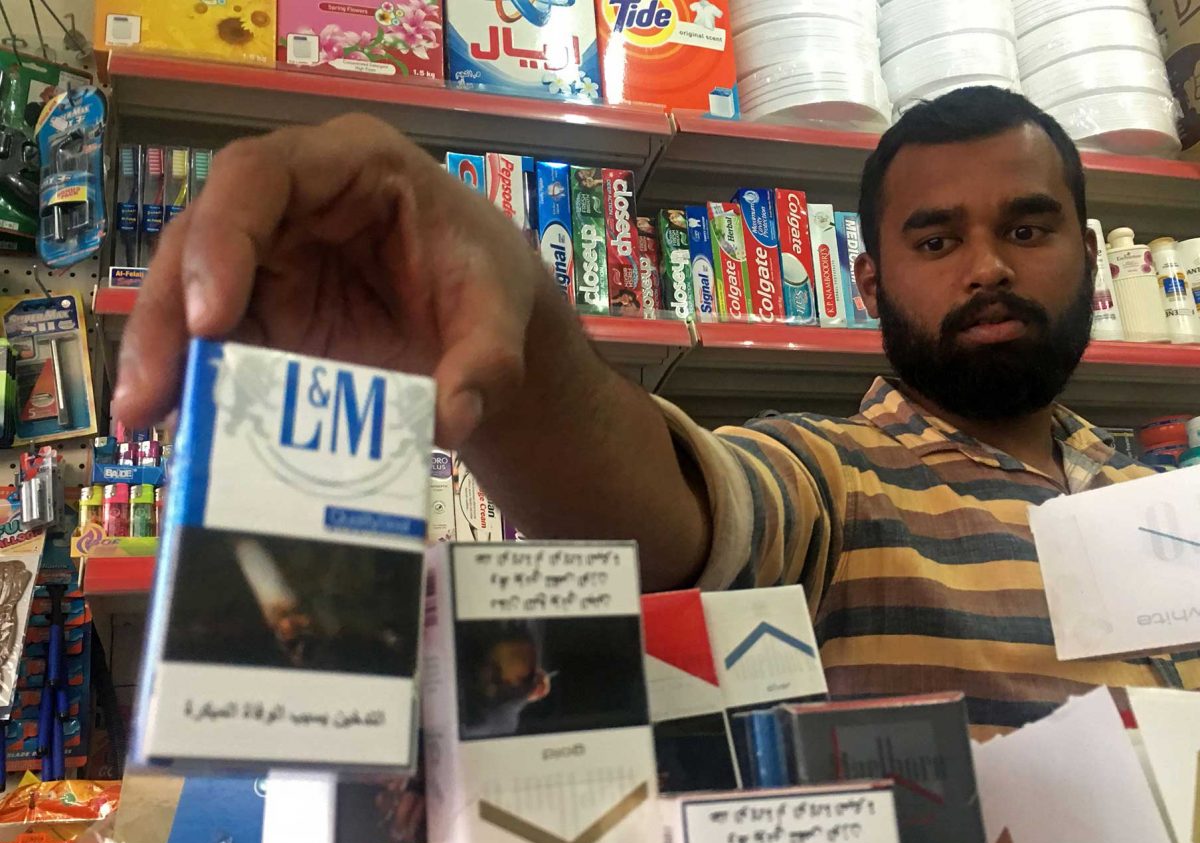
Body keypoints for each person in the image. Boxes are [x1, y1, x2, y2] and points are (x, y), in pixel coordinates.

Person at [114, 86, 1199, 738]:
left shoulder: (1165, 503)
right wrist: (522, 335)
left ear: (1090, 254)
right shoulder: (836, 482)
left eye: (1028, 227)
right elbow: (676, 510)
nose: (985, 268)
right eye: (934, 239)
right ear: (866, 285)